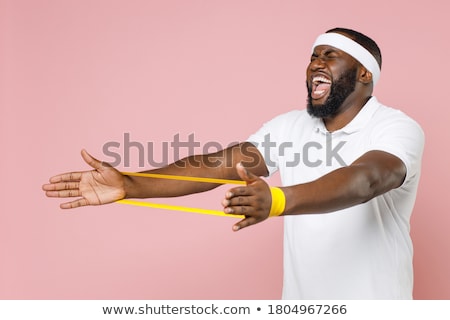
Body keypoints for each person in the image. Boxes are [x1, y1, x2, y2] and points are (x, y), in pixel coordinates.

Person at [42, 27, 425, 299]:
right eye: (312, 56)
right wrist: (131, 184)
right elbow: (219, 165)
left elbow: (368, 179)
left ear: (364, 74)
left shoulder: (395, 127)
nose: (315, 64)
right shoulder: (291, 126)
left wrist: (277, 200)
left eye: (329, 55)